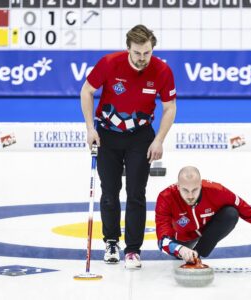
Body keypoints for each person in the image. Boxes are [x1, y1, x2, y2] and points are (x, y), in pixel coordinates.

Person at [80, 25, 177, 269]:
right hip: (108, 137)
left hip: (141, 137)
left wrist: (159, 140)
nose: (143, 58)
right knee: (110, 192)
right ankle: (111, 241)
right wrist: (90, 128)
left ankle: (133, 250)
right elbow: (87, 91)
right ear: (128, 49)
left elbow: (169, 107)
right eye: (137, 53)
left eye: (147, 53)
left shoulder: (162, 70)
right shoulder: (110, 63)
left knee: (136, 193)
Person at [155, 166, 251, 264]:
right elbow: (162, 240)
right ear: (178, 186)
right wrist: (180, 249)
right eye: (185, 190)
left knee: (231, 213)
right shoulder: (165, 197)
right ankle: (188, 252)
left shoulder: (217, 191)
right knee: (178, 250)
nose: (190, 196)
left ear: (201, 184)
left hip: (203, 233)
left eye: (195, 190)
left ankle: (197, 256)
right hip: (180, 240)